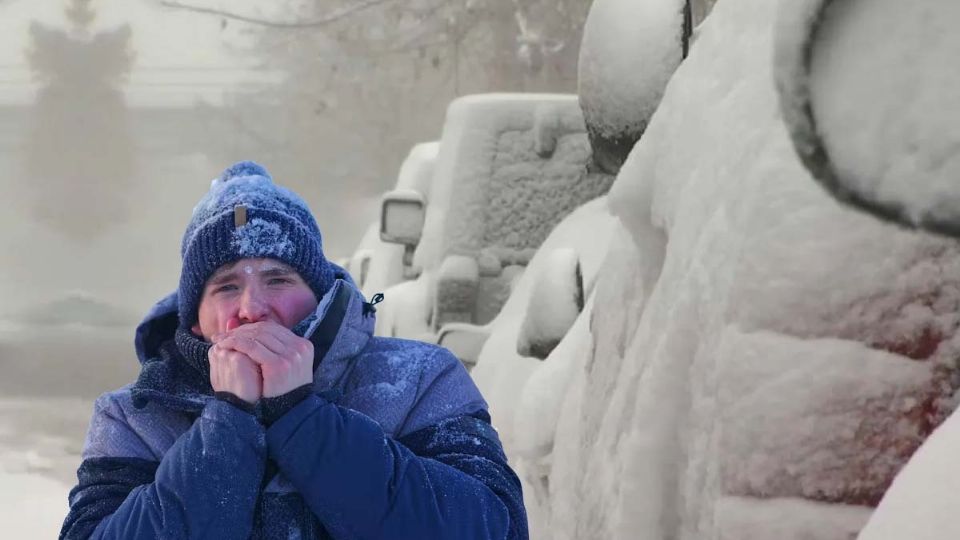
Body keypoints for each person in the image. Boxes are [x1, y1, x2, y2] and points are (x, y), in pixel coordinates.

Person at [60, 161, 528, 540]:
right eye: (224, 287)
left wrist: (301, 418)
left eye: (278, 279)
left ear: (319, 294)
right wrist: (227, 422)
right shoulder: (135, 416)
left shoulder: (419, 380)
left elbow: (493, 527)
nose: (251, 308)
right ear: (196, 319)